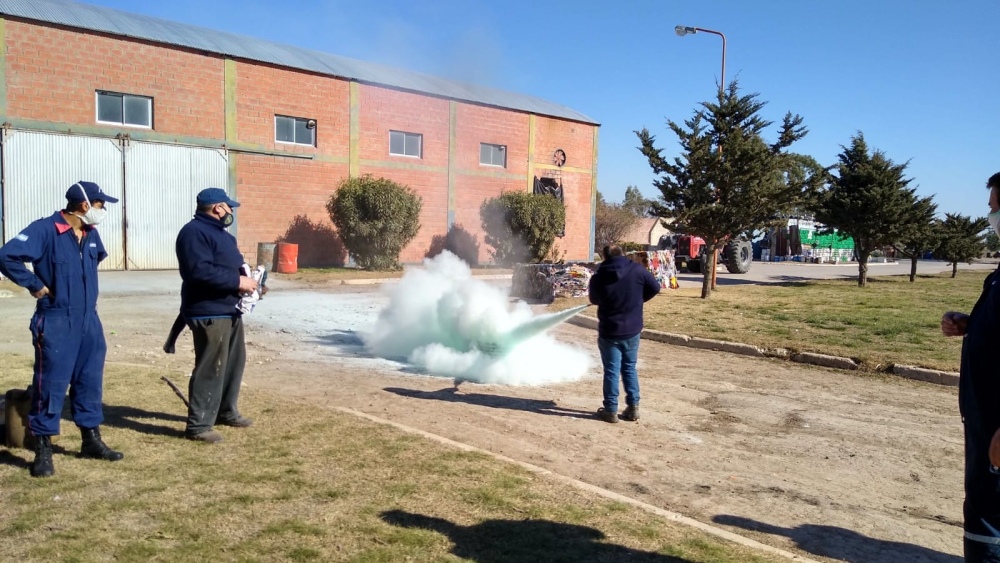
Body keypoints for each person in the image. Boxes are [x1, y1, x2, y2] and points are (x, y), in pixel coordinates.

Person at [0, 181, 124, 477]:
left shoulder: (90, 233)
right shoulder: (46, 229)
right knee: (50, 384)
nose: (103, 210)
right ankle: (43, 449)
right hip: (56, 319)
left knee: (89, 380)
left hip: (88, 320)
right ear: (84, 205)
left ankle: (91, 440)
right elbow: (6, 256)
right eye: (100, 204)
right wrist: (35, 285)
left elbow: (91, 263)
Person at [941, 171, 1000, 562]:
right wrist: (971, 324)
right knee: (982, 513)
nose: (991, 216)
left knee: (992, 521)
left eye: (996, 208)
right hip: (983, 422)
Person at [175, 187, 257, 443]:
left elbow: (231, 267)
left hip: (229, 309)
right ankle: (199, 425)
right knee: (211, 367)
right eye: (228, 206)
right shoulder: (193, 233)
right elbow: (198, 272)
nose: (231, 211)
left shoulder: (222, 235)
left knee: (233, 363)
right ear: (217, 208)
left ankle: (225, 411)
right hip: (208, 311)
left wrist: (252, 282)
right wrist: (237, 281)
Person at [588, 244, 660, 423]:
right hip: (632, 329)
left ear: (605, 257)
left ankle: (611, 410)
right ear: (623, 254)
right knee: (629, 367)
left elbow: (594, 299)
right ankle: (633, 407)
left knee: (611, 370)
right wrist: (638, 299)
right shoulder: (637, 270)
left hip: (609, 331)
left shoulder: (598, 276)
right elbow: (655, 287)